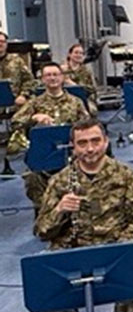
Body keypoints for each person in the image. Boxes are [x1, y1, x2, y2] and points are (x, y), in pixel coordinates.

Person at [35, 118, 133, 312]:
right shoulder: (60, 181)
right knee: (43, 282)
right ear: (73, 147)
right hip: (72, 254)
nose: (90, 149)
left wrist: (120, 246)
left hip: (114, 250)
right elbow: (42, 231)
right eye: (82, 143)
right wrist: (59, 210)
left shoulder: (125, 176)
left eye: (95, 141)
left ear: (106, 142)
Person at [12, 62, 89, 207]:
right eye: (48, 75)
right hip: (44, 154)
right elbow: (15, 122)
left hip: (72, 153)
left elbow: (87, 125)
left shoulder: (75, 102)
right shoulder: (35, 103)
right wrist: (34, 118)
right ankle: (45, 211)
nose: (52, 78)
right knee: (32, 177)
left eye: (55, 74)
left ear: (62, 77)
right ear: (42, 79)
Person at [0, 30, 36, 109]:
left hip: (15, 104)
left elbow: (29, 80)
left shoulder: (17, 61)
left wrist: (24, 95)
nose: (0, 44)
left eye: (3, 41)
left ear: (6, 44)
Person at [61, 43, 97, 114]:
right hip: (64, 99)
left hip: (84, 99)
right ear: (69, 54)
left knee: (90, 110)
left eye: (81, 53)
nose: (79, 55)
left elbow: (92, 89)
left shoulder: (87, 71)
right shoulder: (61, 70)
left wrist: (73, 84)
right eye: (76, 52)